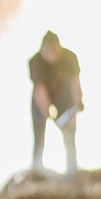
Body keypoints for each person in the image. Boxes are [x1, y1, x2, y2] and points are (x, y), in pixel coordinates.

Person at [29, 31, 83, 176]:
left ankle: (72, 170)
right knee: (39, 135)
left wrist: (78, 101)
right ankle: (37, 170)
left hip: (63, 97)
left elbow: (75, 82)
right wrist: (48, 113)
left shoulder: (70, 57)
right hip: (41, 100)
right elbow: (40, 90)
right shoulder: (35, 62)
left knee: (69, 131)